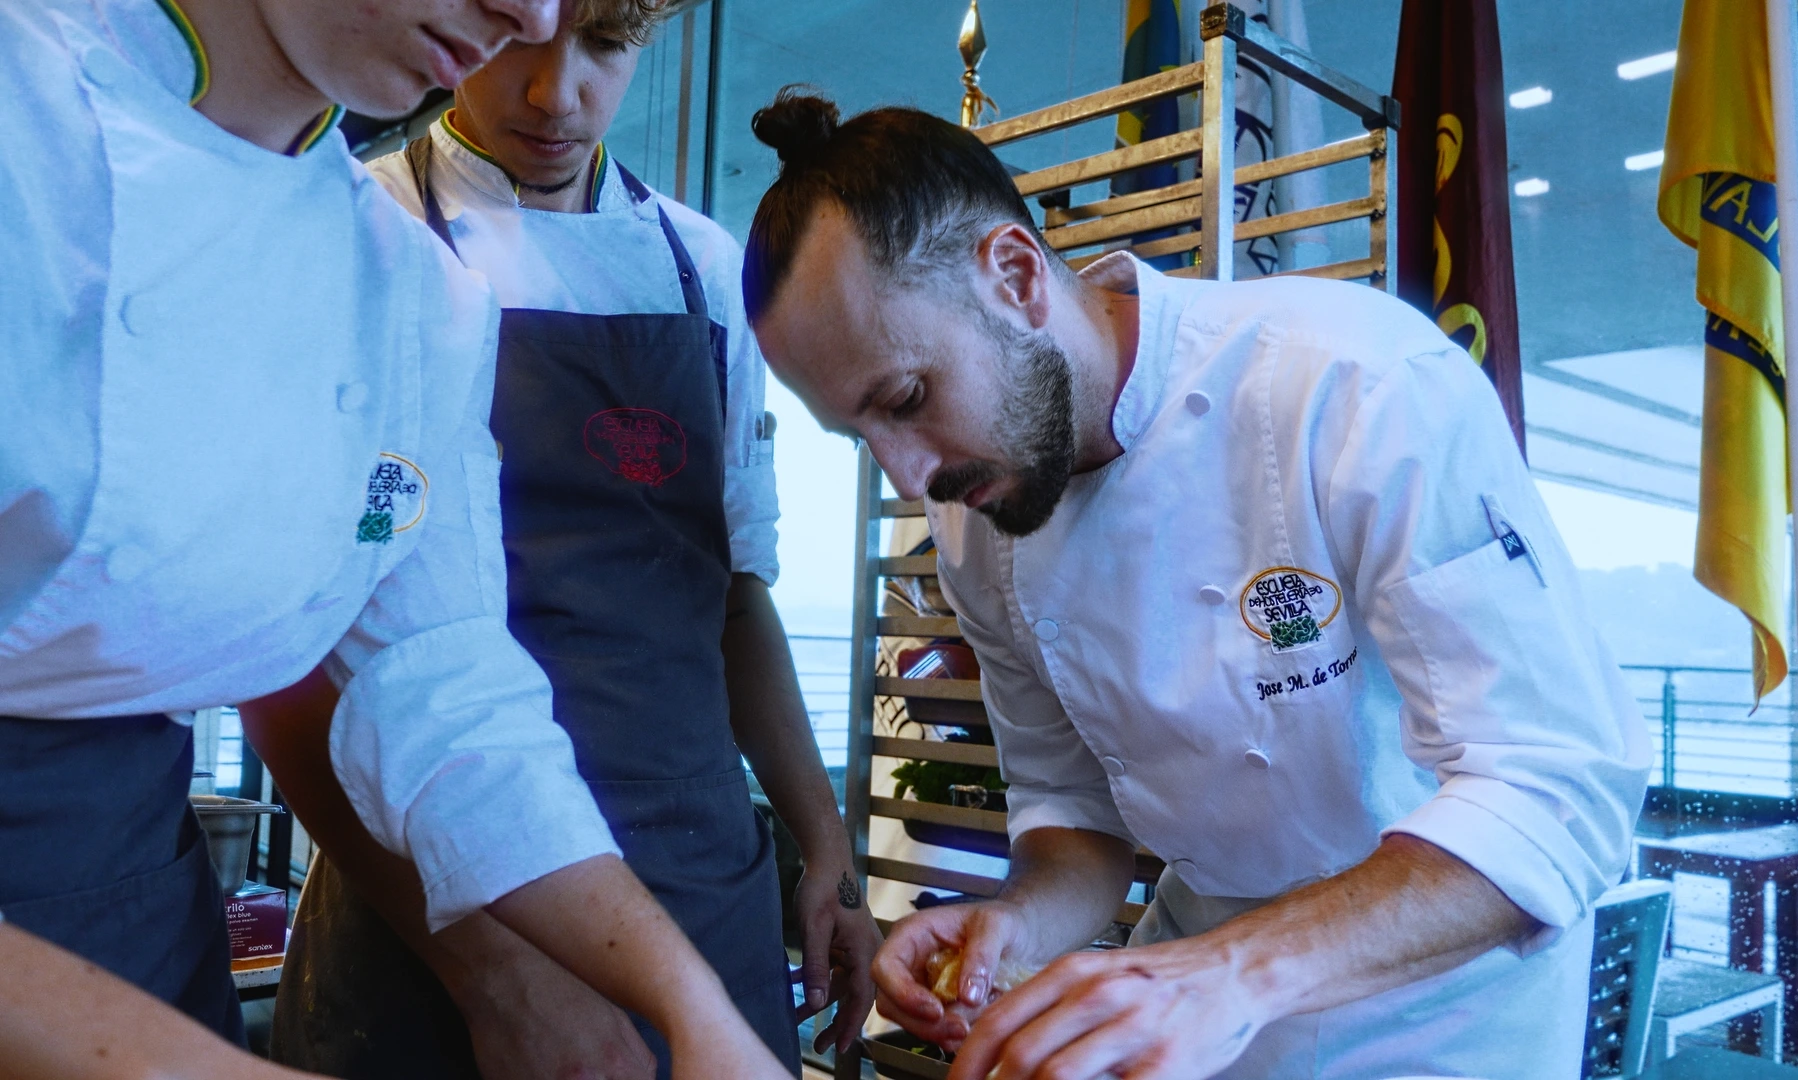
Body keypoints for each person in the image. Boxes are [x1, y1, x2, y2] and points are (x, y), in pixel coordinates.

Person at [740, 90, 1652, 1080]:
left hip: (1444, 1015)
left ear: (1011, 275)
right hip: (1196, 1000)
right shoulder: (977, 519)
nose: (911, 478)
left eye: (909, 399)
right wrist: (1013, 926)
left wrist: (1236, 974)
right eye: (863, 438)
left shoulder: (1354, 383)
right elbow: (1076, 818)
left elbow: (1556, 784)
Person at [0, 2, 790, 1078]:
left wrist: (692, 1009)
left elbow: (441, 676)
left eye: (594, 25)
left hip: (134, 887)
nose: (534, 19)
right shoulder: (24, 110)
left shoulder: (406, 290)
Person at [255, 4, 881, 1077]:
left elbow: (734, 597)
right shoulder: (357, 230)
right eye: (516, 34)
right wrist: (495, 974)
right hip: (439, 897)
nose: (556, 93)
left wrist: (824, 845)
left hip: (695, 867)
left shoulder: (701, 267)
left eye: (606, 45)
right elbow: (284, 650)